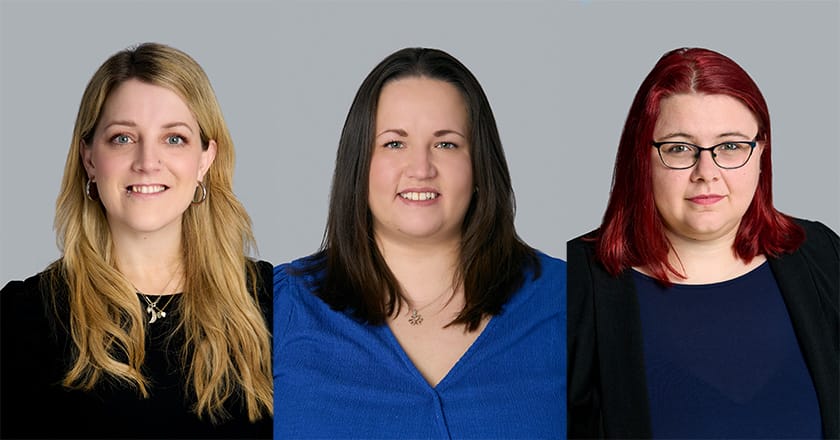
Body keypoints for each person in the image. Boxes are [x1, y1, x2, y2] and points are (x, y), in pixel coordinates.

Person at [274, 47, 566, 438]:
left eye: (446, 144)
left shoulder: (569, 302)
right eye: (394, 143)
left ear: (480, 164)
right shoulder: (276, 309)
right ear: (358, 164)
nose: (421, 168)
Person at [0, 42, 273, 439]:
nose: (148, 161)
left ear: (205, 160)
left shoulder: (276, 306)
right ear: (89, 158)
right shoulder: (20, 321)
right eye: (123, 138)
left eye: (174, 138)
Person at [567, 47, 839, 439]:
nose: (706, 172)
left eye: (730, 146)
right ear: (641, 159)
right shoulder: (573, 284)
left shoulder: (822, 257)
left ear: (761, 152)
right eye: (679, 148)